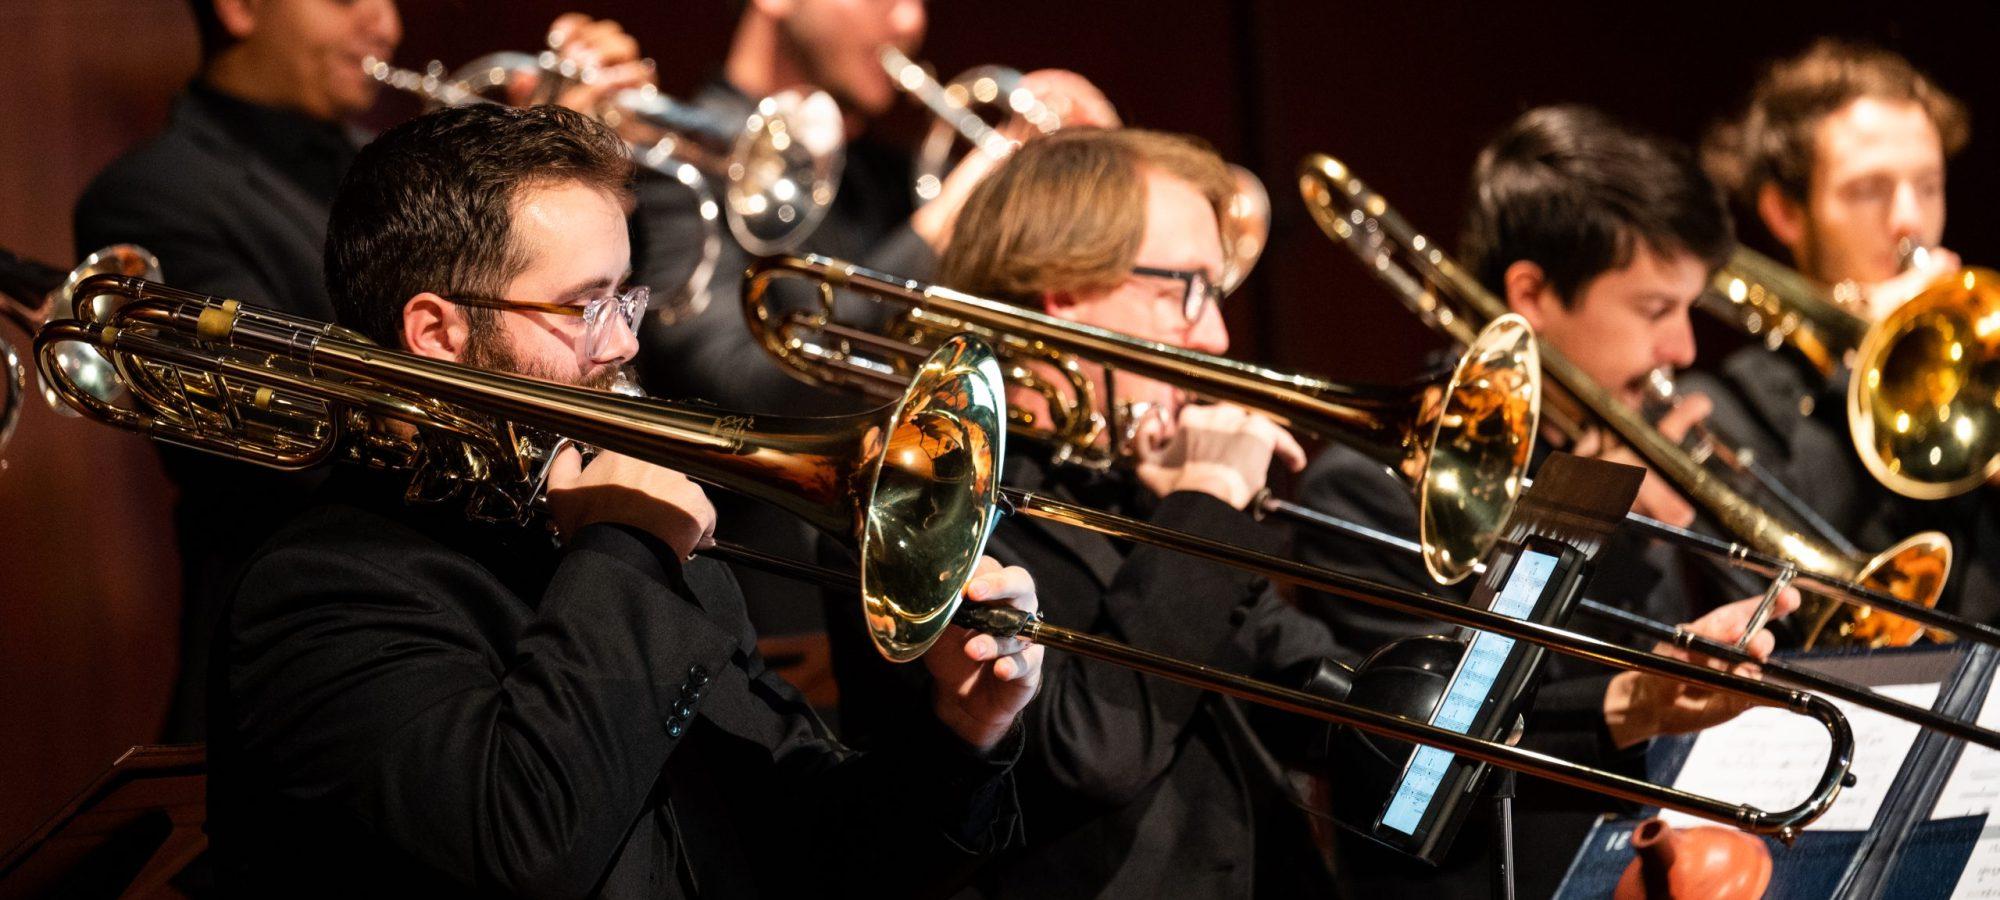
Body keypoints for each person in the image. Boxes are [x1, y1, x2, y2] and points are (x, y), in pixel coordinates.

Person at [826, 126, 1784, 900]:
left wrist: (1631, 698)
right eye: (1188, 290)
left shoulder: (1130, 493)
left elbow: (1359, 717)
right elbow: (1091, 752)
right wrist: (1203, 505)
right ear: (1064, 291)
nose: (1218, 335)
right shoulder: (930, 498)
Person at [207, 101, 1042, 899]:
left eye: (626, 298)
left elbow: (829, 864)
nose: (628, 342)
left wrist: (960, 734)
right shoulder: (321, 592)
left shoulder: (645, 553)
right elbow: (524, 849)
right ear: (437, 334)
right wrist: (626, 553)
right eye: (585, 306)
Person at [70, 0, 643, 741]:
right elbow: (291, 427)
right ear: (240, 8)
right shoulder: (158, 190)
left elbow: (591, 346)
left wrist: (566, 189)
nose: (388, 26)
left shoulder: (391, 162)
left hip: (510, 600)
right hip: (332, 661)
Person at [1295, 105, 1797, 898]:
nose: (1685, 352)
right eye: (1655, 309)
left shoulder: (1624, 457)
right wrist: (1609, 535)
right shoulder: (1370, 487)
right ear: (1530, 291)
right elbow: (1430, 775)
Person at [629, 0, 1119, 696]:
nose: (909, 21)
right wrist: (956, 210)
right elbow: (736, 384)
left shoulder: (886, 181)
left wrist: (1074, 181)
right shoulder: (677, 161)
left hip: (919, 607)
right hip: (764, 634)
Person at [1696, 39, 1997, 626]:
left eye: (1929, 186)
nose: (1909, 219)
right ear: (1786, 211)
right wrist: (1857, 367)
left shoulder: (1981, 361)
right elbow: (1795, 610)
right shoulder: (1725, 407)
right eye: (1869, 190)